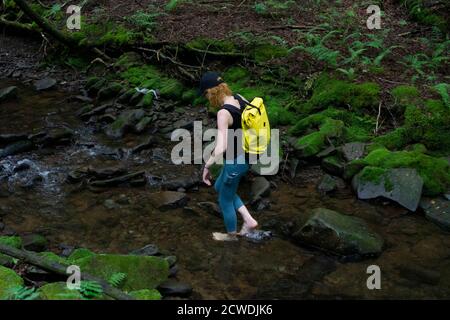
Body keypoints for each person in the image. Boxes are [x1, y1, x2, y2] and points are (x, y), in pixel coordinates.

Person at [200, 72, 258, 241]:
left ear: (211, 92)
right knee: (220, 186)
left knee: (224, 200)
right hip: (245, 156)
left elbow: (221, 147)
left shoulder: (223, 114)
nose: (206, 98)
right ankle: (249, 220)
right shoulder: (239, 98)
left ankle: (231, 236)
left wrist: (207, 166)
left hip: (236, 162)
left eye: (205, 94)